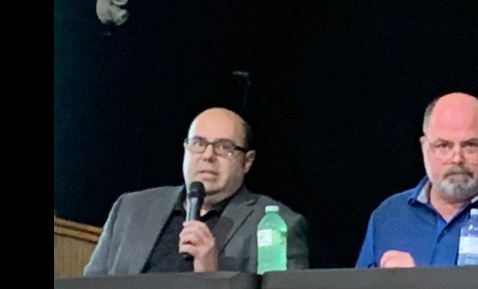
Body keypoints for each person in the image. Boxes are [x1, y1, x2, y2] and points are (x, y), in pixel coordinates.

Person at [84, 107, 309, 275]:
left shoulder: (278, 224)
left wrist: (211, 277)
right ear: (185, 150)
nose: (208, 155)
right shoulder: (131, 209)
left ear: (247, 161)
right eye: (198, 143)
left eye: (224, 147)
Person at [356, 92, 478, 268]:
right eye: (443, 146)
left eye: (470, 145)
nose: (457, 158)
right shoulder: (388, 215)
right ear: (424, 148)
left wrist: (414, 285)